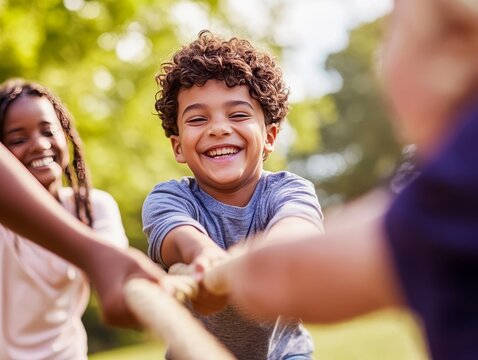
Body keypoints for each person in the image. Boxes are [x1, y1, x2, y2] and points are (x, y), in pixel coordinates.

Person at [218, 1, 478, 359]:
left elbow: (276, 279)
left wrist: (231, 269)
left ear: (450, 50)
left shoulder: (462, 175)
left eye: (387, 34)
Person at [142, 30, 324, 359]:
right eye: (198, 119)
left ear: (269, 137)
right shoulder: (169, 198)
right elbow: (177, 235)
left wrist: (253, 261)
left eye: (238, 114)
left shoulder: (288, 190)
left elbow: (297, 232)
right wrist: (204, 258)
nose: (218, 128)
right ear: (178, 146)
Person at [0, 79, 158, 359]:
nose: (39, 145)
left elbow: (117, 281)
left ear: (66, 134)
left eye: (48, 131)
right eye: (18, 139)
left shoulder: (93, 207)